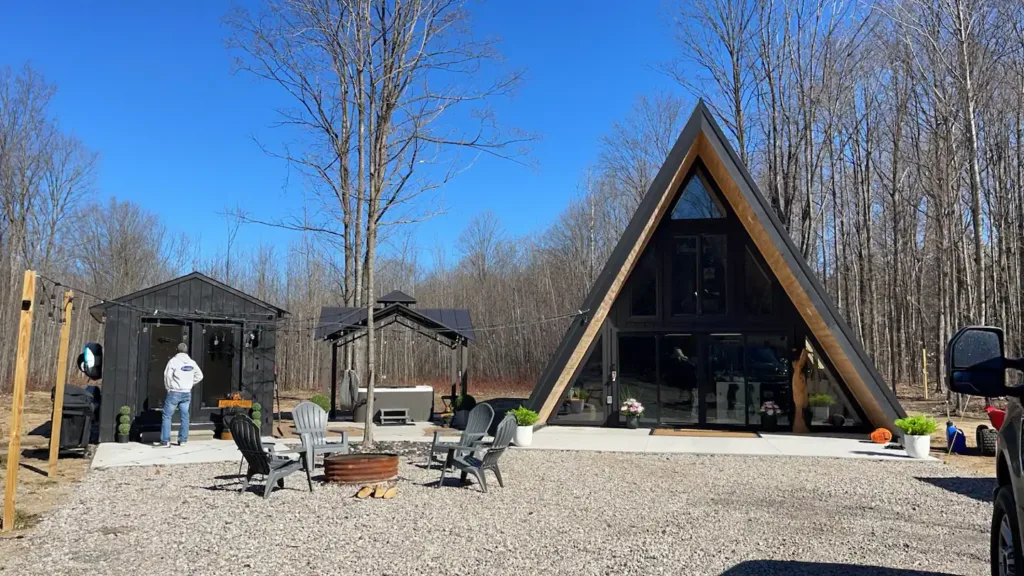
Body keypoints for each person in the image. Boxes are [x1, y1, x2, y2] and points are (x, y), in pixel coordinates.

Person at [160, 342, 203, 447]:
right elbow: (200, 376)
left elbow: (167, 376)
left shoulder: (173, 362)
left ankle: (165, 441)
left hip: (175, 392)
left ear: (177, 350)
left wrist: (168, 387)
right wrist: (190, 384)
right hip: (186, 392)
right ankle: (182, 440)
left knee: (167, 416)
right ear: (186, 351)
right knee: (185, 416)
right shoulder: (192, 362)